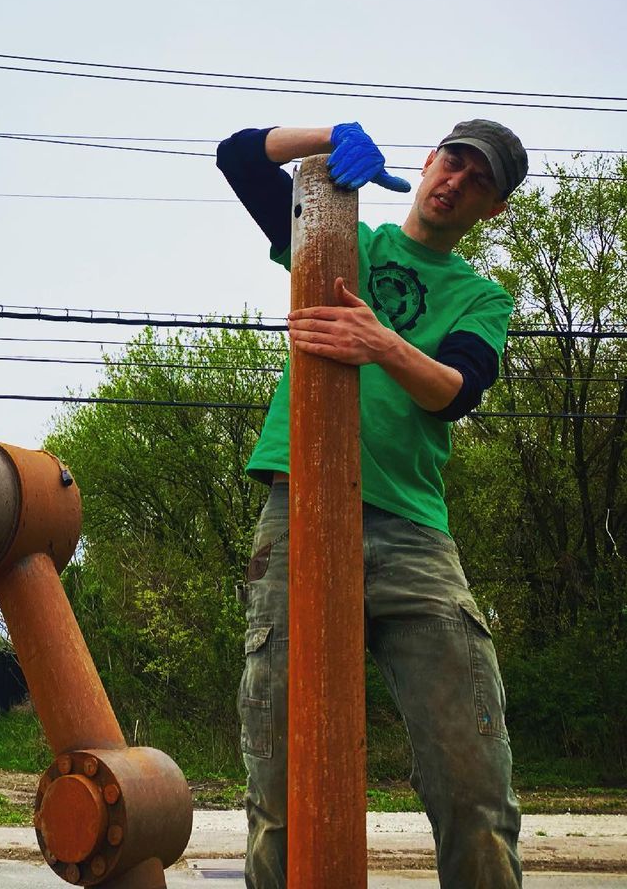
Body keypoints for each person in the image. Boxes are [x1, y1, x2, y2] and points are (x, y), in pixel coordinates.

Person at [216, 120, 528, 889]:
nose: (456, 180)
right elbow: (237, 158)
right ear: (427, 163)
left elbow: (455, 391)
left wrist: (379, 339)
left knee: (474, 783)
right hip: (297, 515)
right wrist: (328, 135)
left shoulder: (482, 298)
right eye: (452, 160)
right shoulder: (343, 238)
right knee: (281, 781)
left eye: (480, 180)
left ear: (491, 209)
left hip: (413, 534)